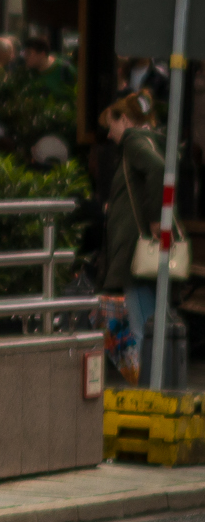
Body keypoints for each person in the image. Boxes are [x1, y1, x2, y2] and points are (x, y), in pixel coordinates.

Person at [101, 92, 169, 382]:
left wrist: (156, 218)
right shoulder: (151, 138)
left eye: (111, 124)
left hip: (135, 247)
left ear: (125, 120)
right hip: (142, 245)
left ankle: (147, 387)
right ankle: (157, 379)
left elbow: (156, 169)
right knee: (150, 317)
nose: (108, 133)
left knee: (142, 323)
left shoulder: (133, 141)